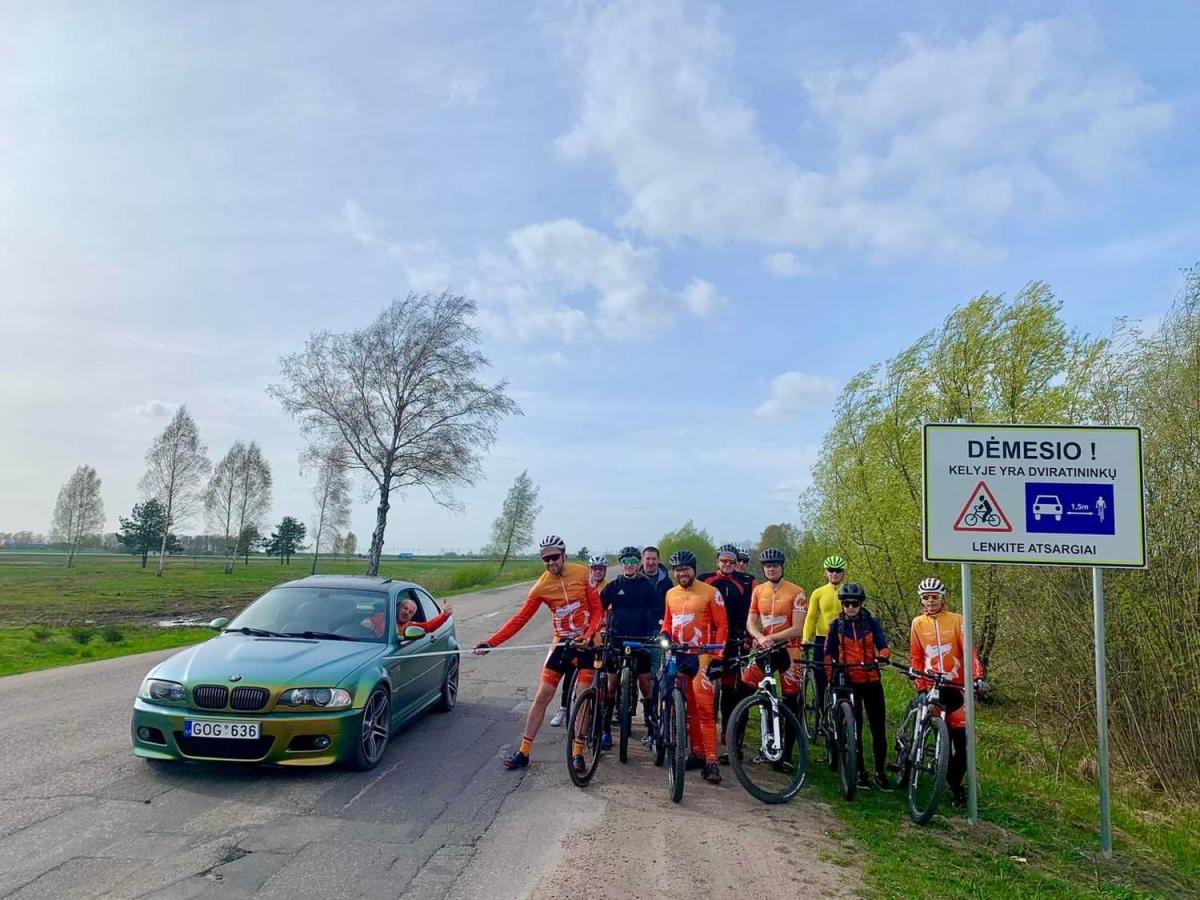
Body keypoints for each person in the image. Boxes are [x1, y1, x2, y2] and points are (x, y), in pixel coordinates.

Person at [474, 535, 603, 772]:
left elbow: (597, 610)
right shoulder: (541, 586)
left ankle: (578, 752)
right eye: (546, 559)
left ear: (564, 554)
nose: (551, 562)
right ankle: (524, 752)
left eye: (554, 557)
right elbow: (519, 619)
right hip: (562, 642)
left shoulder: (582, 573)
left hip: (587, 642)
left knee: (584, 694)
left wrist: (590, 633)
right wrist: (491, 642)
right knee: (543, 695)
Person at [909, 576, 987, 807]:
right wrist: (919, 682)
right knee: (923, 731)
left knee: (962, 746)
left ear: (943, 598)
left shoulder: (957, 620)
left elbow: (969, 652)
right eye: (926, 597)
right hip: (931, 685)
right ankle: (911, 765)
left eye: (934, 597)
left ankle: (954, 783)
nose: (930, 601)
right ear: (921, 600)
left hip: (956, 688)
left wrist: (977, 676)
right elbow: (916, 655)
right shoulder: (917, 623)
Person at [661, 549, 728, 784]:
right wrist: (665, 634)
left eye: (685, 569)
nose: (682, 573)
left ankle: (711, 761)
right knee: (688, 710)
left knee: (705, 711)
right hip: (680, 655)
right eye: (678, 570)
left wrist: (718, 655)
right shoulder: (670, 593)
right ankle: (697, 753)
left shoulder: (711, 592)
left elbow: (722, 626)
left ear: (694, 569)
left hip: (702, 656)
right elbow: (668, 621)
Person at [823, 582, 891, 790]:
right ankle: (860, 772)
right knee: (855, 728)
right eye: (846, 604)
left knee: (878, 728)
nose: (850, 607)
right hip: (849, 682)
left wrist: (881, 657)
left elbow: (884, 646)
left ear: (861, 604)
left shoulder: (872, 623)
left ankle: (880, 771)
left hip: (871, 680)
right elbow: (828, 654)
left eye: (855, 603)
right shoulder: (836, 626)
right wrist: (831, 675)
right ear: (842, 605)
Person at [742, 547, 807, 761]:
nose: (771, 569)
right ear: (763, 568)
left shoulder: (796, 592)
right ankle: (736, 745)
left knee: (791, 700)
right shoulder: (758, 591)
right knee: (743, 689)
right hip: (764, 648)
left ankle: (786, 753)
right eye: (768, 566)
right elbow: (751, 622)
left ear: (782, 567)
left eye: (775, 566)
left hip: (789, 648)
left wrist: (772, 638)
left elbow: (798, 628)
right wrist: (760, 638)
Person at [600, 546, 662, 748]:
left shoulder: (647, 586)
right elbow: (598, 607)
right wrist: (600, 627)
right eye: (625, 561)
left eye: (633, 561)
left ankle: (652, 730)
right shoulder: (614, 585)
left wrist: (655, 631)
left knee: (646, 685)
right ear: (621, 564)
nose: (629, 565)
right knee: (611, 686)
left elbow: (655, 612)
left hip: (640, 640)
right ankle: (605, 730)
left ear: (639, 563)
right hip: (617, 640)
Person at [700, 544, 755, 754]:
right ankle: (704, 734)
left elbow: (747, 613)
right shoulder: (706, 579)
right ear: (717, 561)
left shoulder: (743, 584)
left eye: (732, 561)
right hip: (708, 640)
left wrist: (747, 636)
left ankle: (728, 733)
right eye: (724, 561)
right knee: (704, 686)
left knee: (730, 690)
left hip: (732, 642)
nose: (728, 565)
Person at [550, 553, 609, 728]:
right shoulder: (582, 584)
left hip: (599, 637)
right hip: (579, 635)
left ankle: (596, 711)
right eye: (594, 569)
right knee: (569, 671)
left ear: (604, 570)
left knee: (600, 675)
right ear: (590, 570)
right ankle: (563, 708)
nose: (597, 572)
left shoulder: (609, 587)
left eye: (600, 569)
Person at [802, 554, 847, 722]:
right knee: (820, 678)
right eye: (831, 571)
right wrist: (806, 638)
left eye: (838, 571)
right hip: (822, 639)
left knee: (844, 678)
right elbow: (811, 617)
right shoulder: (818, 593)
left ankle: (842, 715)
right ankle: (822, 717)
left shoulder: (848, 590)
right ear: (825, 573)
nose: (834, 574)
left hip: (844, 641)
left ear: (844, 573)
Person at [364, 596, 453, 638]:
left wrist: (444, 615)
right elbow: (363, 624)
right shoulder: (382, 617)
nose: (406, 612)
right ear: (398, 608)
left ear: (412, 616)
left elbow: (428, 626)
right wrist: (372, 627)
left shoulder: (410, 626)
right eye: (405, 608)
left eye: (411, 612)